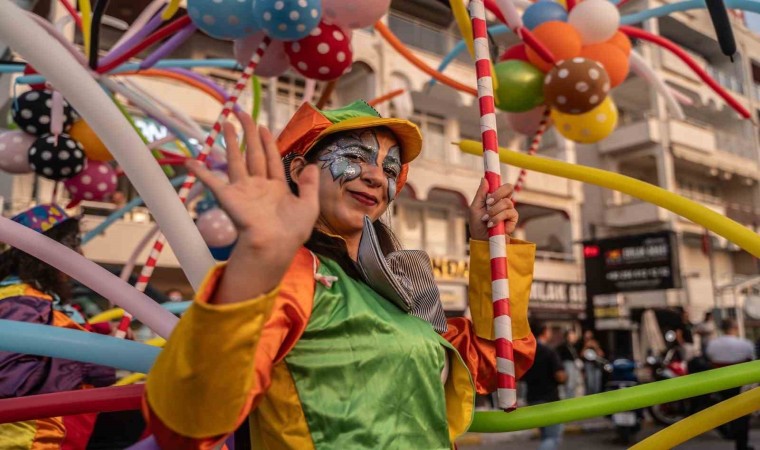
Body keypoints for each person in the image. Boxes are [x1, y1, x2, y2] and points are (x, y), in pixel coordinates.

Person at [143, 101, 539, 448]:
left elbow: (495, 362)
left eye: (389, 168)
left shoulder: (397, 286)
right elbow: (189, 420)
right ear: (300, 170)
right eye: (354, 156)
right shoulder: (296, 272)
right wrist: (255, 266)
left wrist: (490, 248)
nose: (375, 177)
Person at [0, 204, 116, 449]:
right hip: (28, 440)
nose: (80, 254)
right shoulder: (22, 302)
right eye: (73, 244)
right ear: (46, 253)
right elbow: (11, 380)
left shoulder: (32, 300)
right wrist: (89, 359)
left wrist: (104, 336)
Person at [706, 318, 755, 450]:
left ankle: (729, 432)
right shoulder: (745, 344)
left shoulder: (713, 344)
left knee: (724, 409)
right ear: (736, 328)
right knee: (742, 414)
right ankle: (741, 444)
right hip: (740, 383)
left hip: (720, 383)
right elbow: (751, 361)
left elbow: (710, 359)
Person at [522, 322, 567, 450]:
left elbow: (520, 376)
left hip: (532, 399)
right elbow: (560, 375)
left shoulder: (527, 353)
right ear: (545, 331)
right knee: (552, 438)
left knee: (545, 435)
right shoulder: (549, 351)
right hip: (549, 401)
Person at [556, 328, 582, 398]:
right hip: (567, 365)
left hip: (574, 366)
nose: (574, 337)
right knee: (569, 384)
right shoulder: (562, 346)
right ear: (567, 336)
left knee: (574, 384)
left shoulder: (575, 346)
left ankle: (572, 398)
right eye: (572, 335)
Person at [581, 329, 605, 395]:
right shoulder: (582, 344)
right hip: (588, 365)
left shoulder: (596, 343)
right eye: (587, 338)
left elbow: (601, 354)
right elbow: (581, 355)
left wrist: (596, 347)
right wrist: (586, 346)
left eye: (590, 337)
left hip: (597, 364)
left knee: (597, 384)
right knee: (590, 383)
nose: (589, 339)